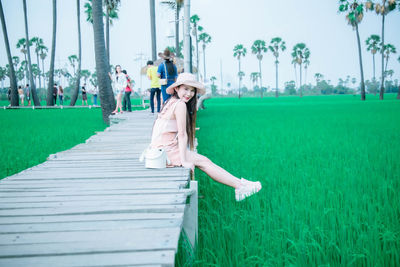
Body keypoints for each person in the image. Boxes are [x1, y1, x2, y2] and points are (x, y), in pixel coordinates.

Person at [149, 73, 262, 201]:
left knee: (205, 161)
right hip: (167, 152)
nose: (189, 94)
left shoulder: (170, 102)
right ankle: (240, 186)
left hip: (160, 149)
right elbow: (181, 134)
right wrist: (184, 160)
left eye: (192, 90)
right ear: (177, 88)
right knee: (204, 162)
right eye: (186, 89)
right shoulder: (179, 105)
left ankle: (241, 185)